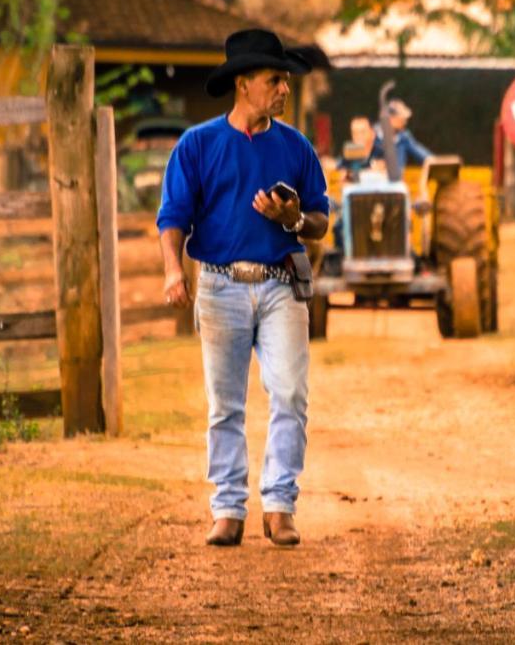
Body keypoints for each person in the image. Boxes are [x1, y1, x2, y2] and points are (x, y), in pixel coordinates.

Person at [157, 28, 330, 548]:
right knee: (224, 403)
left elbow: (321, 220)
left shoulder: (296, 147)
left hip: (281, 285)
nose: (284, 89)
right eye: (274, 80)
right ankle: (228, 507)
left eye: (285, 80)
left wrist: (295, 216)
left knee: (290, 393)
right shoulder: (198, 145)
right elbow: (173, 218)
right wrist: (172, 269)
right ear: (243, 84)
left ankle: (279, 505)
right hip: (220, 286)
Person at [372, 98, 432, 177]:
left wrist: (439, 163)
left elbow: (424, 156)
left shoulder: (404, 137)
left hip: (396, 185)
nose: (405, 122)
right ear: (391, 119)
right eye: (402, 119)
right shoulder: (371, 135)